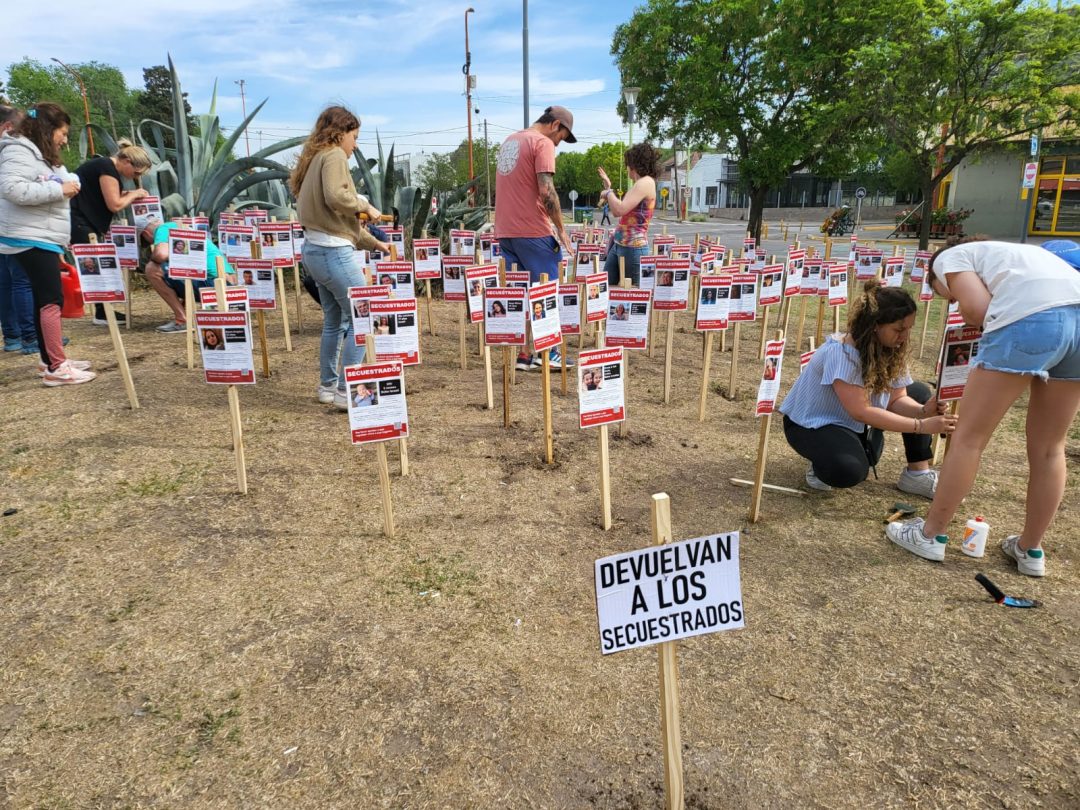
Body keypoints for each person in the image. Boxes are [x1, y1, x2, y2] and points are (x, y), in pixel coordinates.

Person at [887, 239, 1080, 575]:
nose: (952, 302)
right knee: (1051, 448)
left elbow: (977, 309)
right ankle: (1030, 549)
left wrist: (968, 315)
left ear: (938, 273)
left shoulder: (950, 257)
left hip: (1031, 322)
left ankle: (930, 534)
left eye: (948, 296)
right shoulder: (1017, 255)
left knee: (968, 437)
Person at [780, 281, 956, 497]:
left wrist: (923, 411)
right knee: (848, 471)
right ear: (874, 325)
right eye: (899, 329)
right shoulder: (842, 353)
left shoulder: (891, 347)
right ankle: (821, 465)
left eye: (908, 329)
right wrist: (922, 425)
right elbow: (861, 411)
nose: (904, 337)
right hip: (813, 424)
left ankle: (917, 475)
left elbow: (896, 399)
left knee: (917, 392)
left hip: (854, 422)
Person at [292, 106, 391, 410]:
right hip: (333, 253)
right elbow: (338, 197)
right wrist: (366, 206)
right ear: (340, 132)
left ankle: (327, 385)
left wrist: (376, 244)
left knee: (334, 320)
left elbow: (339, 224)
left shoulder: (314, 161)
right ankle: (348, 390)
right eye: (355, 136)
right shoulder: (334, 155)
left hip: (315, 251)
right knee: (366, 317)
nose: (355, 145)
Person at [0, 102, 95, 386]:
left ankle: (50, 358)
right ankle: (56, 366)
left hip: (41, 234)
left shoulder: (38, 153)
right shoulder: (18, 150)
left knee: (45, 300)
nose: (65, 139)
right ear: (47, 129)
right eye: (62, 132)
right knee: (51, 300)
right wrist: (59, 189)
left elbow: (57, 180)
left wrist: (69, 182)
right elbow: (12, 189)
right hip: (30, 235)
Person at [494, 105, 576, 371]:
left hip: (505, 232)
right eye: (561, 137)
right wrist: (561, 230)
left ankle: (524, 353)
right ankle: (548, 352)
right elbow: (546, 191)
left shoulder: (509, 142)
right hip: (534, 231)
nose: (559, 144)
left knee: (521, 295)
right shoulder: (542, 143)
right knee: (545, 292)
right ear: (554, 125)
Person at [70, 139, 151, 325]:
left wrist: (127, 195)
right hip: (81, 221)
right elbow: (114, 204)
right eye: (136, 172)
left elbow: (101, 195)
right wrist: (134, 194)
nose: (134, 177)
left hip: (84, 220)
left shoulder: (106, 167)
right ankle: (101, 312)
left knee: (96, 264)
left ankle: (103, 310)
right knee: (94, 266)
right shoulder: (106, 167)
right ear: (127, 161)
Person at [143, 218, 235, 331]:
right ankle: (186, 314)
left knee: (152, 268)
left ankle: (182, 320)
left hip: (214, 284)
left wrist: (151, 257)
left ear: (146, 233)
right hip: (228, 286)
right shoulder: (177, 226)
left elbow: (160, 255)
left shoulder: (163, 229)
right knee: (182, 267)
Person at [0, 104, 38, 355]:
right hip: (12, 225)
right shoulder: (12, 152)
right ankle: (30, 337)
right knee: (23, 281)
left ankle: (12, 336)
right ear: (8, 127)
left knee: (5, 283)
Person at [599, 143, 660, 288]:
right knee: (607, 288)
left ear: (634, 164)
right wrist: (609, 188)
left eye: (627, 164)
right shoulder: (641, 183)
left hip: (633, 248)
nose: (626, 168)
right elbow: (621, 208)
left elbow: (619, 210)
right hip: (621, 244)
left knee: (632, 294)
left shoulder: (645, 182)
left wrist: (608, 193)